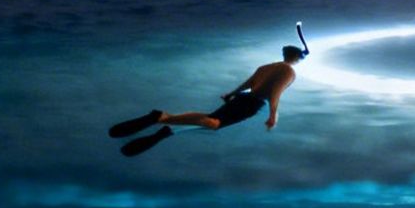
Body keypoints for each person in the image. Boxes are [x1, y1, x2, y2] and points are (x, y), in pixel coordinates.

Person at [110, 34, 306, 155]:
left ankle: (166, 124)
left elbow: (249, 83)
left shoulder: (266, 67)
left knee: (211, 120)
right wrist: (273, 115)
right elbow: (275, 93)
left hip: (243, 98)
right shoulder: (289, 72)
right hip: (252, 104)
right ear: (296, 57)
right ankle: (164, 122)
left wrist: (231, 94)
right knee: (213, 123)